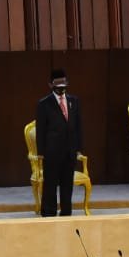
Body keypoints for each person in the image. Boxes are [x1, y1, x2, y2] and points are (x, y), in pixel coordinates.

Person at [34, 68, 82, 216]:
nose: (61, 87)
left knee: (67, 184)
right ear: (50, 84)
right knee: (51, 184)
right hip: (51, 152)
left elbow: (79, 126)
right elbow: (40, 130)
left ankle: (66, 212)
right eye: (57, 84)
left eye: (63, 83)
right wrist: (41, 152)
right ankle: (49, 213)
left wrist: (79, 148)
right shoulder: (44, 104)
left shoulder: (74, 101)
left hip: (70, 151)